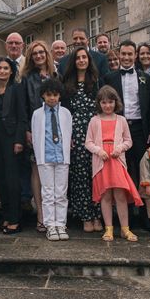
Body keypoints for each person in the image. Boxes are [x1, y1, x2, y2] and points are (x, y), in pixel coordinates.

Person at [85, 85, 142, 242]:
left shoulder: (121, 120)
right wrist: (98, 150)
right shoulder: (94, 120)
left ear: (115, 103)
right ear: (99, 104)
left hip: (116, 161)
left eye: (110, 102)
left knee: (120, 195)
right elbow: (88, 142)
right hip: (102, 161)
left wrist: (120, 148)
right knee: (106, 196)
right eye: (104, 102)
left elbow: (128, 141)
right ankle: (108, 229)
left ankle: (125, 229)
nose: (107, 106)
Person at [61, 47, 102, 232]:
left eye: (84, 57)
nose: (81, 60)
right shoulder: (66, 82)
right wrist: (67, 135)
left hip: (94, 129)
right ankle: (85, 216)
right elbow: (64, 111)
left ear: (89, 59)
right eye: (78, 58)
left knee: (96, 174)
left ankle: (97, 215)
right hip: (75, 131)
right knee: (80, 176)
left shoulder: (96, 81)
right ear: (74, 61)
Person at [19, 40, 58, 232]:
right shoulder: (27, 77)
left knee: (55, 169)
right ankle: (41, 214)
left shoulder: (56, 74)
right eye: (35, 54)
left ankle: (56, 214)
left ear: (47, 54)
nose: (39, 56)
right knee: (37, 170)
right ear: (31, 57)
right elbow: (25, 105)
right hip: (36, 128)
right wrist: (27, 129)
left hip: (56, 128)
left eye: (41, 52)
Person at [102, 40, 150, 190]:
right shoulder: (109, 78)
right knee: (122, 167)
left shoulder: (146, 79)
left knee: (142, 168)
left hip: (139, 129)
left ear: (135, 55)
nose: (126, 57)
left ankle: (143, 209)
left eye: (130, 54)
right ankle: (127, 209)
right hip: (118, 128)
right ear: (119, 54)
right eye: (123, 54)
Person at [31, 79, 72, 241]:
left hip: (61, 157)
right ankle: (50, 225)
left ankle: (61, 224)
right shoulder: (37, 114)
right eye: (48, 95)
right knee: (47, 192)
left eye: (55, 95)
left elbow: (68, 133)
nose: (52, 98)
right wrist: (38, 156)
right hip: (45, 156)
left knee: (61, 192)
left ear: (60, 95)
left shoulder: (66, 113)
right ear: (43, 95)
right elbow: (35, 136)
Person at [0, 57, 26, 234]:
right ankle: (6, 216)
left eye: (5, 68)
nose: (2, 71)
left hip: (11, 137)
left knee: (12, 180)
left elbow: (22, 116)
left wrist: (19, 140)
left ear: (11, 71)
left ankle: (15, 220)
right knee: (1, 179)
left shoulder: (17, 89)